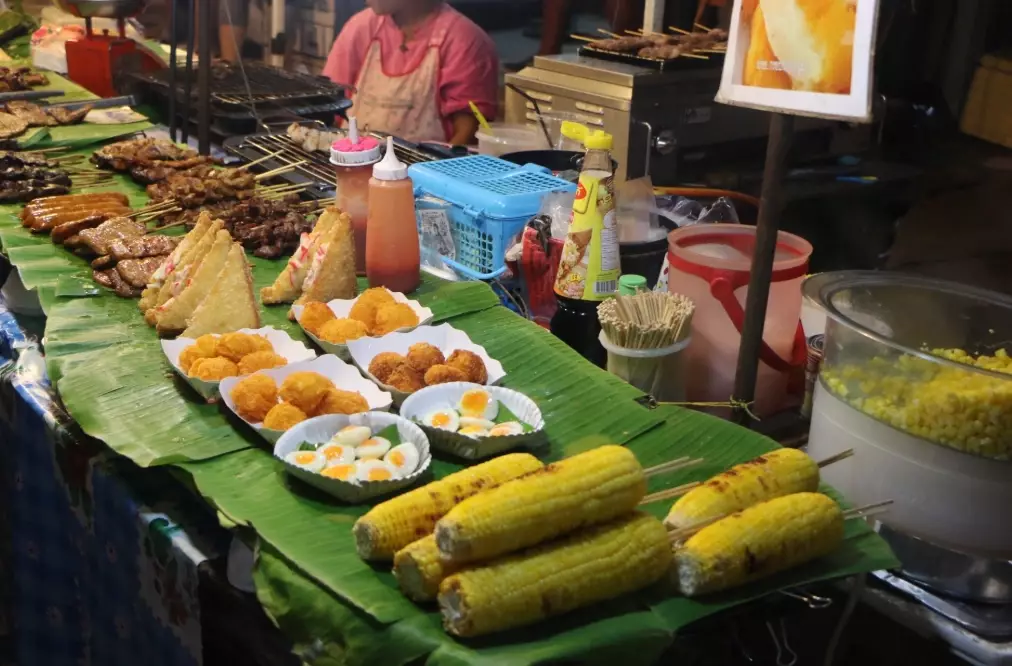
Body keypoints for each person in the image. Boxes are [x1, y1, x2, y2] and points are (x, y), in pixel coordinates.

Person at [323, 0, 499, 144]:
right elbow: (329, 102)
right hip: (350, 168)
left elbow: (468, 133)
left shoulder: (465, 40)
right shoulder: (360, 27)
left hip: (426, 179)